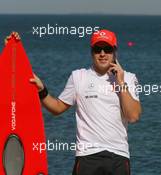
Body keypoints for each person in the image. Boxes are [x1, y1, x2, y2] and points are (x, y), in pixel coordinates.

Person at [8, 29, 142, 175]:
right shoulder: (78, 77)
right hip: (87, 158)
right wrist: (41, 90)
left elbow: (133, 116)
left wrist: (120, 82)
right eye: (97, 49)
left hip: (119, 157)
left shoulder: (128, 78)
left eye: (107, 49)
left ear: (115, 52)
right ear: (92, 52)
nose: (102, 53)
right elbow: (57, 108)